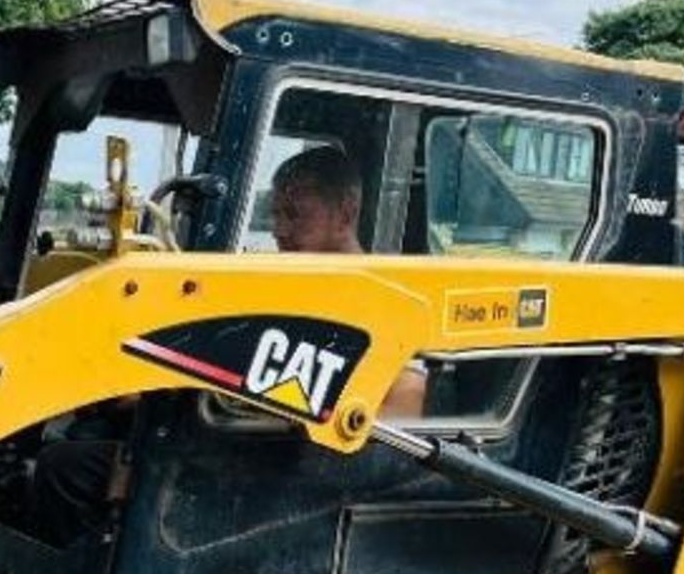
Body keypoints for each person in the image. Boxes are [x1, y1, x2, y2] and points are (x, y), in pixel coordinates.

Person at [29, 142, 404, 545]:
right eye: (275, 213)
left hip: (280, 468)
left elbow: (402, 408)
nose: (279, 230)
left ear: (346, 212)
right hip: (224, 441)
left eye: (295, 215)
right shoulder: (285, 288)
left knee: (65, 469)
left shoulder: (384, 299)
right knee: (88, 432)